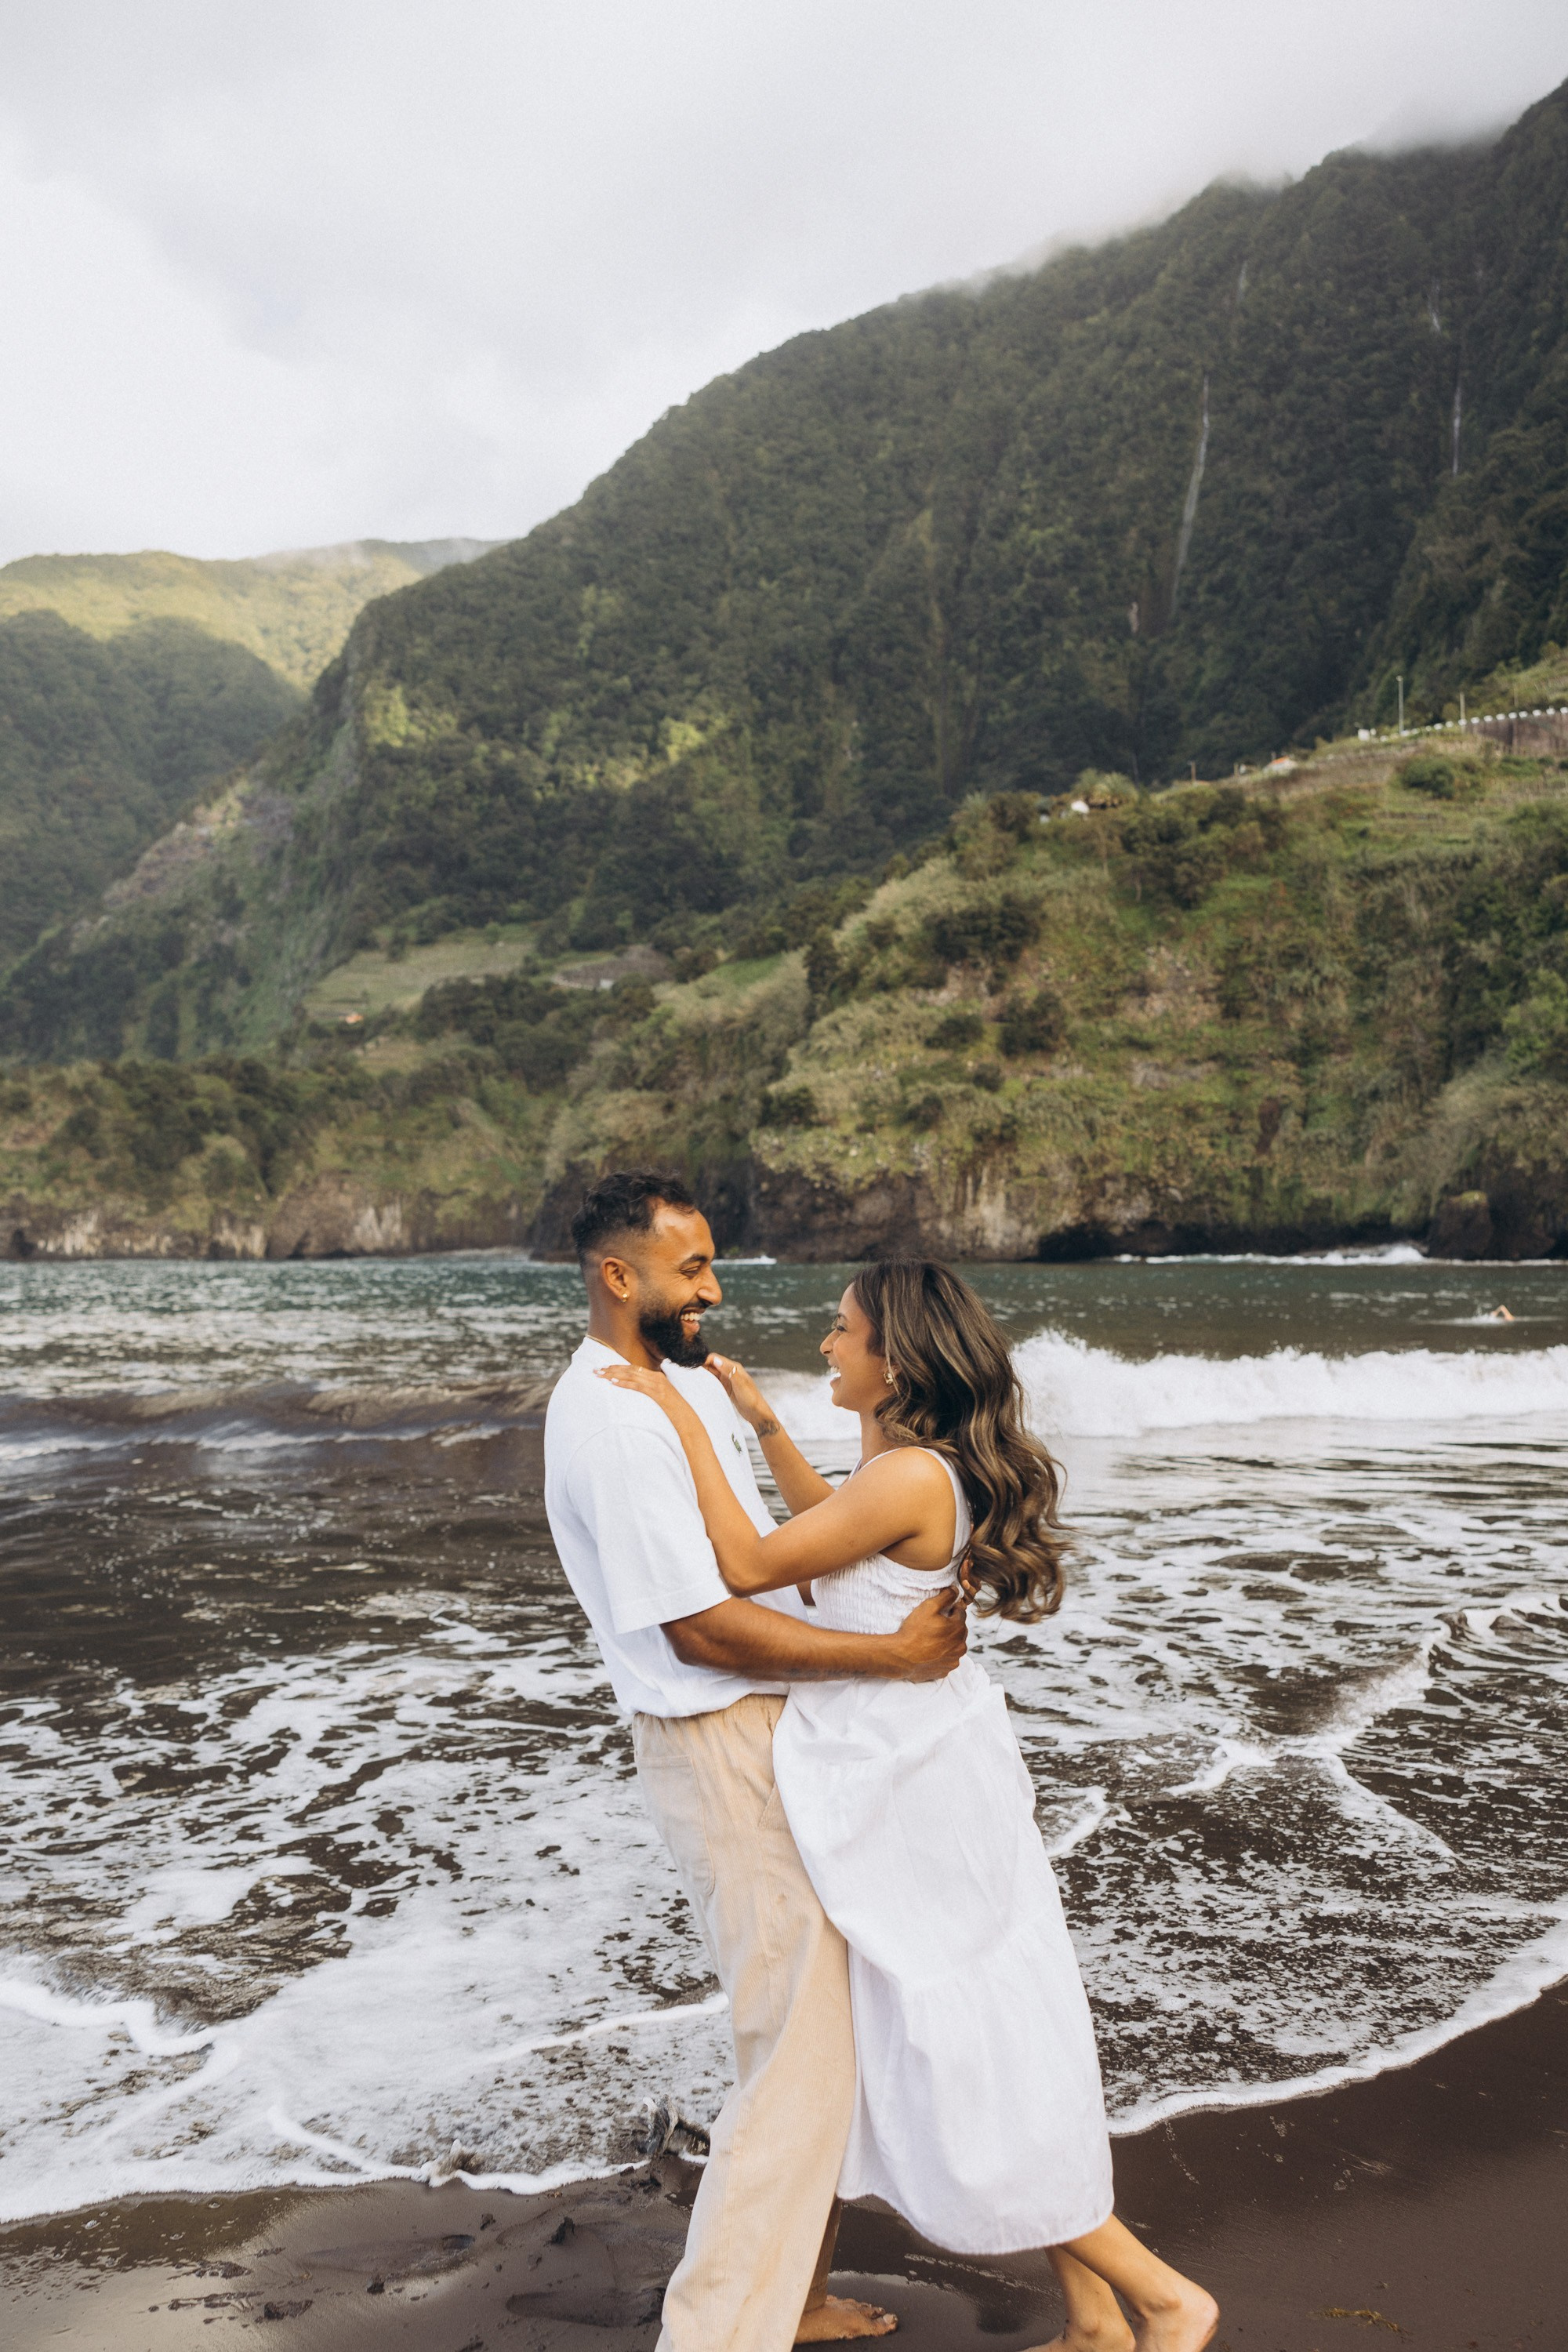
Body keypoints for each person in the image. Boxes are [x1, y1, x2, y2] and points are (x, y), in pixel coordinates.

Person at [597, 1257, 1219, 2352]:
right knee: (983, 2036)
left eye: (843, 1332)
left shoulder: (910, 1479)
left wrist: (680, 1414)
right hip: (925, 1769)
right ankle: (1093, 2317)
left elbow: (745, 1565)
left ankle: (1162, 2297)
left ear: (895, 1360)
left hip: (906, 1787)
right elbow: (832, 1540)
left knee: (958, 2048)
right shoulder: (910, 1476)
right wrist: (759, 1421)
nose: (827, 1346)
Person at [543, 1173, 971, 2352]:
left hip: (770, 1733)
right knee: (796, 2055)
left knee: (821, 2035)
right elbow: (700, 1625)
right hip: (719, 1740)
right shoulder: (621, 1419)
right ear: (619, 1278)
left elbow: (767, 1555)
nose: (715, 1289)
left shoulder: (673, 1388)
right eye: (693, 1270)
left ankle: (795, 2291)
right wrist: (888, 1658)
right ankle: (723, 2330)